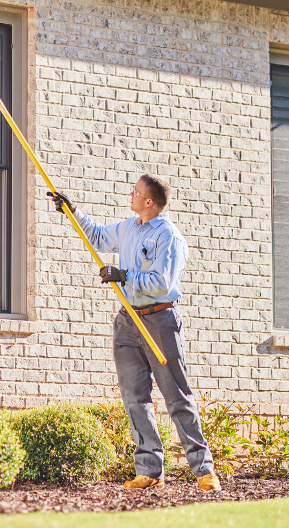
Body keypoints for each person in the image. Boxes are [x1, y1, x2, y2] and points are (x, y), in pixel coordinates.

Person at [48, 174, 219, 492]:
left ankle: (204, 470)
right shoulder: (129, 227)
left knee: (176, 397)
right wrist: (73, 211)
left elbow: (162, 283)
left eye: (136, 192)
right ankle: (150, 470)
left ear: (149, 201)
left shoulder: (169, 237)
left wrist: (123, 275)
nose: (131, 194)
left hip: (159, 321)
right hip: (127, 322)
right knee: (134, 399)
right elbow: (98, 237)